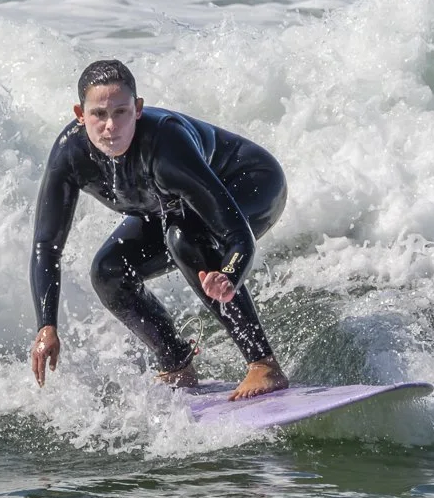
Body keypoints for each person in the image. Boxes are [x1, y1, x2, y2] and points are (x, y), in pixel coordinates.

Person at [28, 58, 290, 401]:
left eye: (121, 112)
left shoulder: (167, 147)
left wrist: (229, 272)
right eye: (99, 115)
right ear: (80, 114)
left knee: (184, 239)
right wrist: (47, 326)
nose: (110, 126)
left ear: (138, 109)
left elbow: (236, 236)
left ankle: (263, 364)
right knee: (108, 272)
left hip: (252, 186)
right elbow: (46, 247)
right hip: (172, 205)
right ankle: (177, 363)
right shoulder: (70, 156)